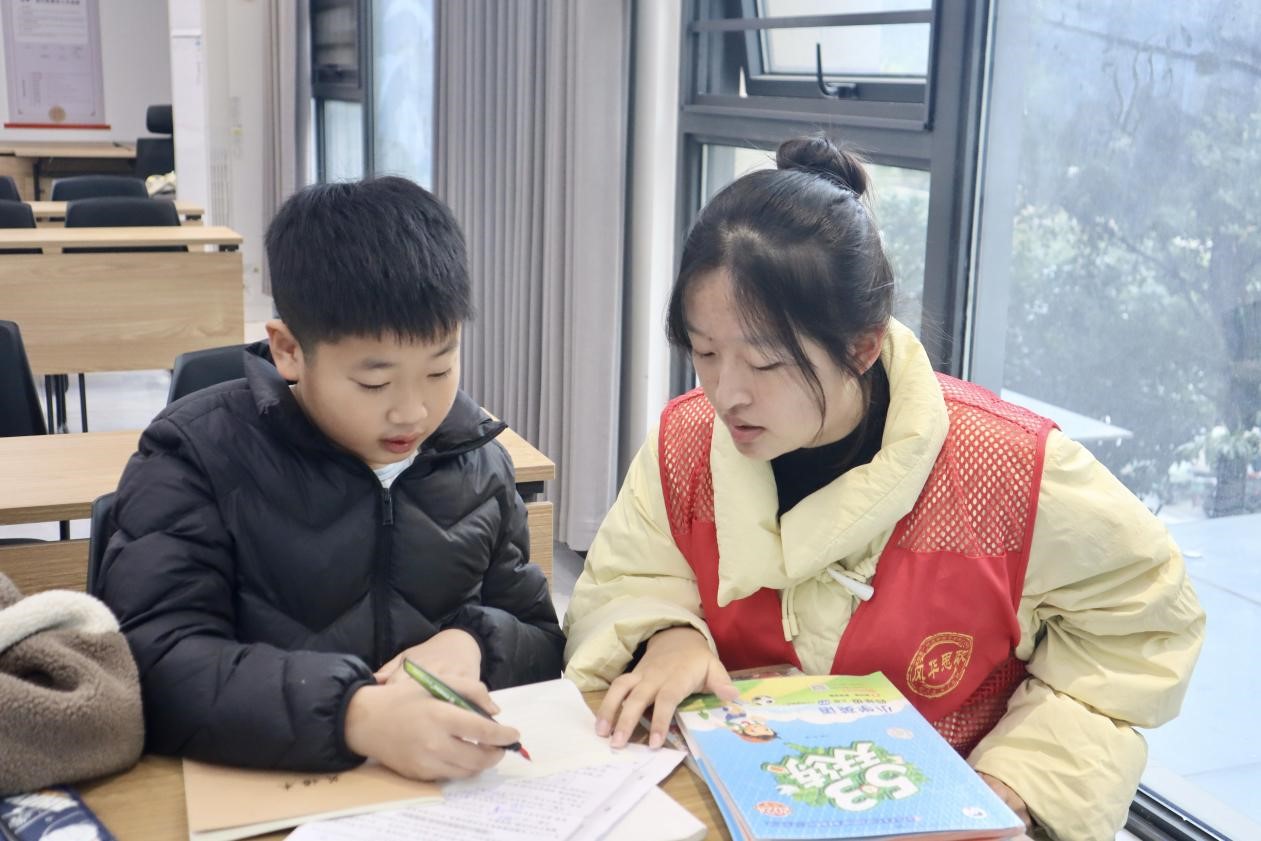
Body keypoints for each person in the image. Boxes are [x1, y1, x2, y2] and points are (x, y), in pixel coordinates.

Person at [562, 135, 1204, 840]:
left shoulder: (1011, 468)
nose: (727, 393)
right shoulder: (683, 444)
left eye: (766, 362)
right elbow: (626, 577)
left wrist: (1014, 783)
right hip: (732, 803)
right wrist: (665, 634)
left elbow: (1139, 634)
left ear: (862, 346)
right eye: (705, 351)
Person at [100, 177, 564, 782]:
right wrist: (356, 714)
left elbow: (541, 639)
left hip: (437, 795)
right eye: (375, 383)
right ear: (289, 350)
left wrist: (475, 642)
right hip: (265, 789)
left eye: (439, 370)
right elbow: (152, 662)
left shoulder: (477, 461)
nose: (413, 412)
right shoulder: (196, 456)